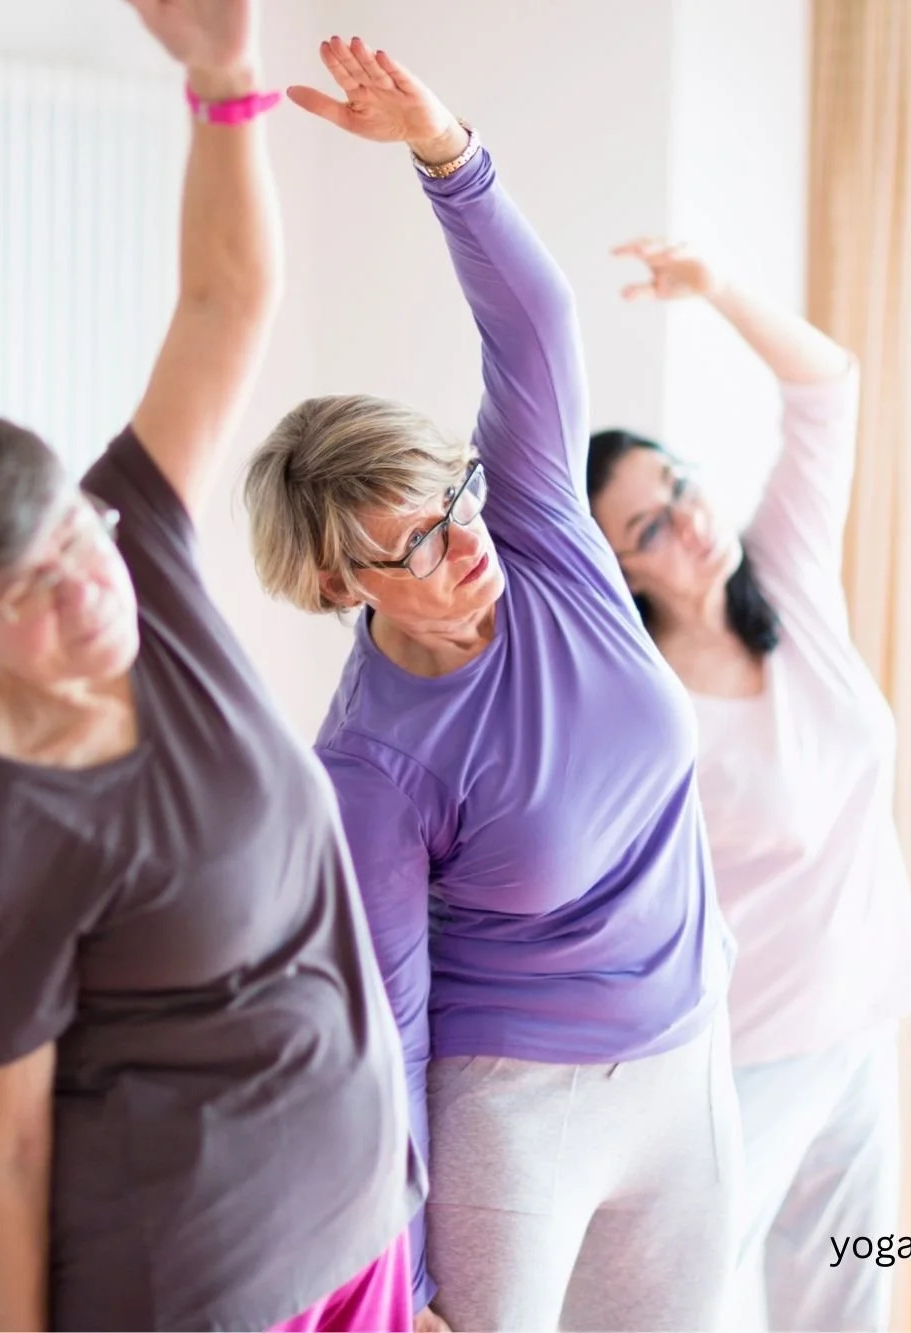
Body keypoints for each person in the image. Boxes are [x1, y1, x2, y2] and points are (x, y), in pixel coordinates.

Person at [0, 2, 417, 1329]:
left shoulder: (134, 537)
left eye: (72, 536)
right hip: (197, 1282)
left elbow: (229, 298)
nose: (88, 592)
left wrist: (227, 84)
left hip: (357, 1218)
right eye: (28, 592)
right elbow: (2, 1153)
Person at [243, 37, 738, 1332]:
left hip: (688, 1064)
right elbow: (387, 1019)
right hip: (516, 1109)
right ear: (341, 582)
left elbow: (538, 322)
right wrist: (400, 1276)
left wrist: (442, 147)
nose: (461, 537)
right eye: (411, 538)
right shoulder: (372, 764)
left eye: (450, 493)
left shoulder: (538, 534)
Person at [583, 239, 911, 1331]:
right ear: (619, 570)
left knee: (843, 1307)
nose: (688, 519)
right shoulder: (640, 708)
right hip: (744, 1056)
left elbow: (827, 385)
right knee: (666, 1305)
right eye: (648, 524)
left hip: (861, 1022)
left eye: (678, 484)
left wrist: (716, 290)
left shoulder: (781, 576)